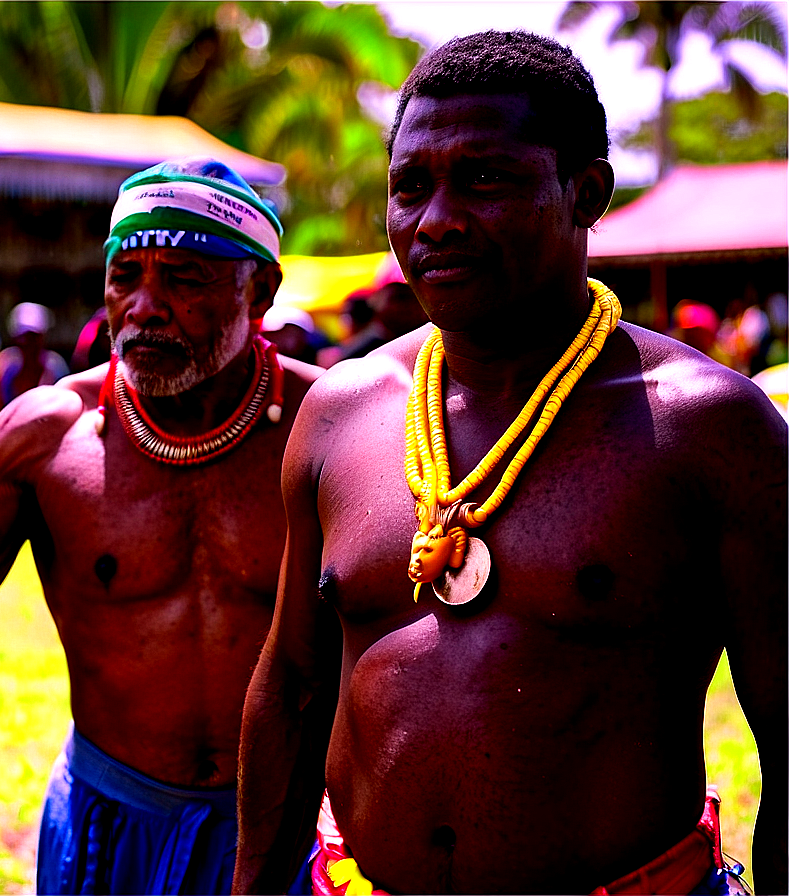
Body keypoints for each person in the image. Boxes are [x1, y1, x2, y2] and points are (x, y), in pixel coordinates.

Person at [232, 31, 787, 896]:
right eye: (409, 187)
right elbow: (293, 686)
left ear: (585, 192)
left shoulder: (707, 428)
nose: (437, 219)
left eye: (484, 179)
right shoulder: (342, 413)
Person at [0, 158, 323, 895]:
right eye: (126, 275)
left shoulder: (333, 432)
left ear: (261, 291)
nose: (144, 307)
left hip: (292, 828)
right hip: (109, 828)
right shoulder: (47, 435)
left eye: (184, 278)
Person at [0, 301, 69, 406]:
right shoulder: (7, 370)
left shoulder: (56, 369)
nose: (27, 342)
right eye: (22, 336)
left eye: (33, 336)